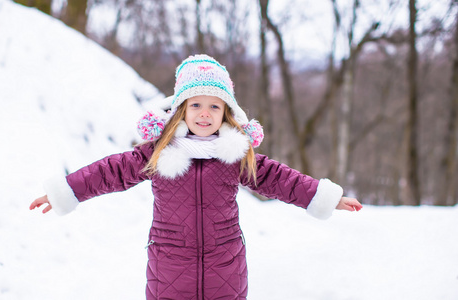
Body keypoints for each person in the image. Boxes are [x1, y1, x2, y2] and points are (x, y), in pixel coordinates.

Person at [30, 54, 362, 300]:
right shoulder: (157, 153)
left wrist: (326, 198)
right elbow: (110, 172)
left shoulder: (234, 154)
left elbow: (280, 178)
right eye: (197, 105)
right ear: (181, 109)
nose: (205, 114)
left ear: (226, 113)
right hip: (169, 269)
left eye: (215, 107)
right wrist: (66, 191)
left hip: (226, 269)